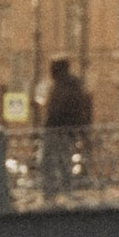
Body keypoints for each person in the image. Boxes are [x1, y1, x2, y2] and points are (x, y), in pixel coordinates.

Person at [40, 56, 92, 193]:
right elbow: (81, 110)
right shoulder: (70, 85)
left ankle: (52, 193)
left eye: (52, 68)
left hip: (57, 130)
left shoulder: (64, 86)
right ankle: (65, 191)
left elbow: (59, 110)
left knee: (50, 162)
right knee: (62, 162)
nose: (50, 71)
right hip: (66, 131)